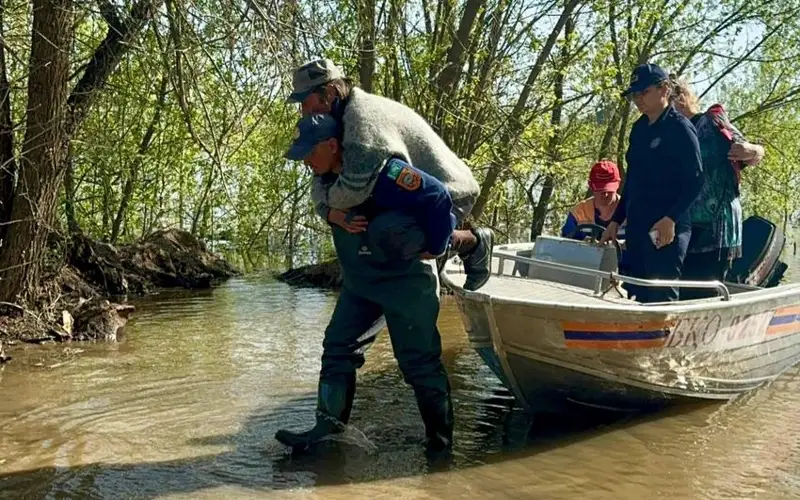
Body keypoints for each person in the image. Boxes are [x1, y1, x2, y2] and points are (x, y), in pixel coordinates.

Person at [274, 114, 455, 457]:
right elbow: (321, 202)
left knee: (418, 363)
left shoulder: (382, 173)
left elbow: (438, 197)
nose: (305, 161)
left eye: (309, 153)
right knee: (337, 348)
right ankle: (327, 432)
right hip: (361, 282)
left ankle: (440, 447)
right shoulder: (325, 181)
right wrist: (333, 214)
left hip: (406, 282)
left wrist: (439, 245)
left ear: (331, 146)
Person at [287, 57, 493, 291]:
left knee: (391, 233)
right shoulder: (330, 120)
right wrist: (329, 212)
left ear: (331, 92)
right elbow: (320, 176)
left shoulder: (361, 124)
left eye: (305, 101)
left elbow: (349, 193)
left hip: (449, 192)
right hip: (409, 194)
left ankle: (472, 243)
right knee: (367, 227)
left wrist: (329, 208)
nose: (303, 111)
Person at [600, 63, 704, 303]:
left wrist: (671, 219)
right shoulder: (638, 129)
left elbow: (696, 180)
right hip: (637, 226)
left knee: (661, 294)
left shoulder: (680, 128)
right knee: (636, 292)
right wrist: (616, 220)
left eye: (644, 92)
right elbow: (633, 180)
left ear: (664, 89)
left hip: (667, 228)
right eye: (635, 95)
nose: (638, 99)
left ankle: (663, 339)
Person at [670, 78, 765, 299]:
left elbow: (751, 152)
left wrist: (753, 151)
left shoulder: (710, 122)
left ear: (681, 100)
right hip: (683, 225)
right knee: (679, 289)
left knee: (703, 290)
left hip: (716, 227)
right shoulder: (670, 136)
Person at [561, 160, 627, 240]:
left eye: (610, 190)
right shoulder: (578, 213)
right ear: (590, 185)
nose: (605, 195)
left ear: (618, 184)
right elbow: (565, 245)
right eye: (600, 190)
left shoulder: (631, 212)